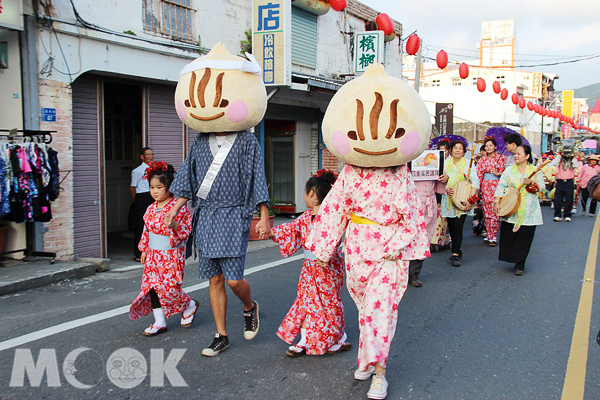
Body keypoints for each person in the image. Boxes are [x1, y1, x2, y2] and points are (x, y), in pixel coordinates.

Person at [307, 63, 431, 400]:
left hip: (389, 250)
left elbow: (411, 218)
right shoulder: (348, 172)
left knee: (380, 310)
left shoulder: (400, 173)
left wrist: (397, 244)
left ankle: (380, 372)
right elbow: (335, 209)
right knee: (365, 310)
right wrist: (324, 248)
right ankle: (367, 355)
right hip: (357, 249)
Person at [166, 43, 270, 357]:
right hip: (206, 216)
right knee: (214, 279)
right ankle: (220, 334)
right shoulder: (199, 142)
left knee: (235, 280)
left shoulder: (248, 141)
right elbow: (187, 179)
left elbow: (257, 179)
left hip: (234, 214)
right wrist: (172, 212)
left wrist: (264, 216)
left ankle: (249, 306)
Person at [265, 170, 349, 356]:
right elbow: (290, 229)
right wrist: (271, 232)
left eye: (305, 192)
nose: (304, 196)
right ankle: (305, 339)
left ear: (311, 193)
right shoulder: (305, 217)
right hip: (310, 268)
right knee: (306, 302)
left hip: (328, 267)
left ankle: (338, 337)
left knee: (329, 303)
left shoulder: (334, 216)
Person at [129, 162, 197, 335]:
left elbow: (186, 231)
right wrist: (144, 249)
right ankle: (159, 321)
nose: (155, 191)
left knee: (170, 287)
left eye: (159, 187)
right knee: (152, 287)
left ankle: (189, 304)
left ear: (169, 187)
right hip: (153, 255)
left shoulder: (177, 208)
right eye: (152, 187)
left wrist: (174, 225)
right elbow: (146, 229)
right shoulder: (150, 208)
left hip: (170, 254)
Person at [494, 145, 544, 275]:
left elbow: (542, 188)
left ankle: (520, 263)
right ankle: (512, 257)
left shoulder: (535, 170)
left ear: (527, 156)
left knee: (524, 237)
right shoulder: (509, 171)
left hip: (529, 209)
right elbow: (501, 186)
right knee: (510, 236)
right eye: (515, 153)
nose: (515, 156)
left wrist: (532, 184)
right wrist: (497, 201)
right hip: (511, 207)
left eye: (519, 154)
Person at [439, 140, 480, 267]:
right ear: (451, 150)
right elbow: (439, 181)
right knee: (452, 226)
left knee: (458, 225)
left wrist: (471, 199)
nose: (457, 150)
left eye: (460, 148)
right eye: (455, 148)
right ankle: (457, 248)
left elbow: (475, 182)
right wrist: (445, 187)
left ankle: (455, 254)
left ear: (464, 151)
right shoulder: (445, 163)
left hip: (463, 199)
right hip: (449, 198)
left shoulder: (468, 164)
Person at [476, 137, 506, 246]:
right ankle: (489, 234)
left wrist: (498, 173)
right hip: (485, 186)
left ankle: (493, 236)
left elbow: (507, 173)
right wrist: (476, 189)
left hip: (497, 186)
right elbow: (478, 175)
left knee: (495, 211)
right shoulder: (482, 160)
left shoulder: (502, 158)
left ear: (495, 147)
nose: (488, 148)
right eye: (486, 146)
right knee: (486, 211)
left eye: (491, 145)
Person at [131, 147, 155, 261]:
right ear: (142, 157)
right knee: (141, 224)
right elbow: (132, 188)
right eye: (148, 154)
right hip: (142, 197)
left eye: (151, 154)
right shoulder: (138, 171)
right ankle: (138, 253)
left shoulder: (154, 169)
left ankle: (151, 250)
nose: (150, 156)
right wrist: (135, 202)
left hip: (152, 195)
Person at [551, 141, 579, 222]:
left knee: (569, 200)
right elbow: (554, 163)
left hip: (569, 182)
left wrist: (573, 156)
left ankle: (567, 215)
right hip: (560, 182)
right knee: (557, 200)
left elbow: (575, 166)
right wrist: (559, 154)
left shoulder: (572, 161)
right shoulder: (559, 161)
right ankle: (557, 215)